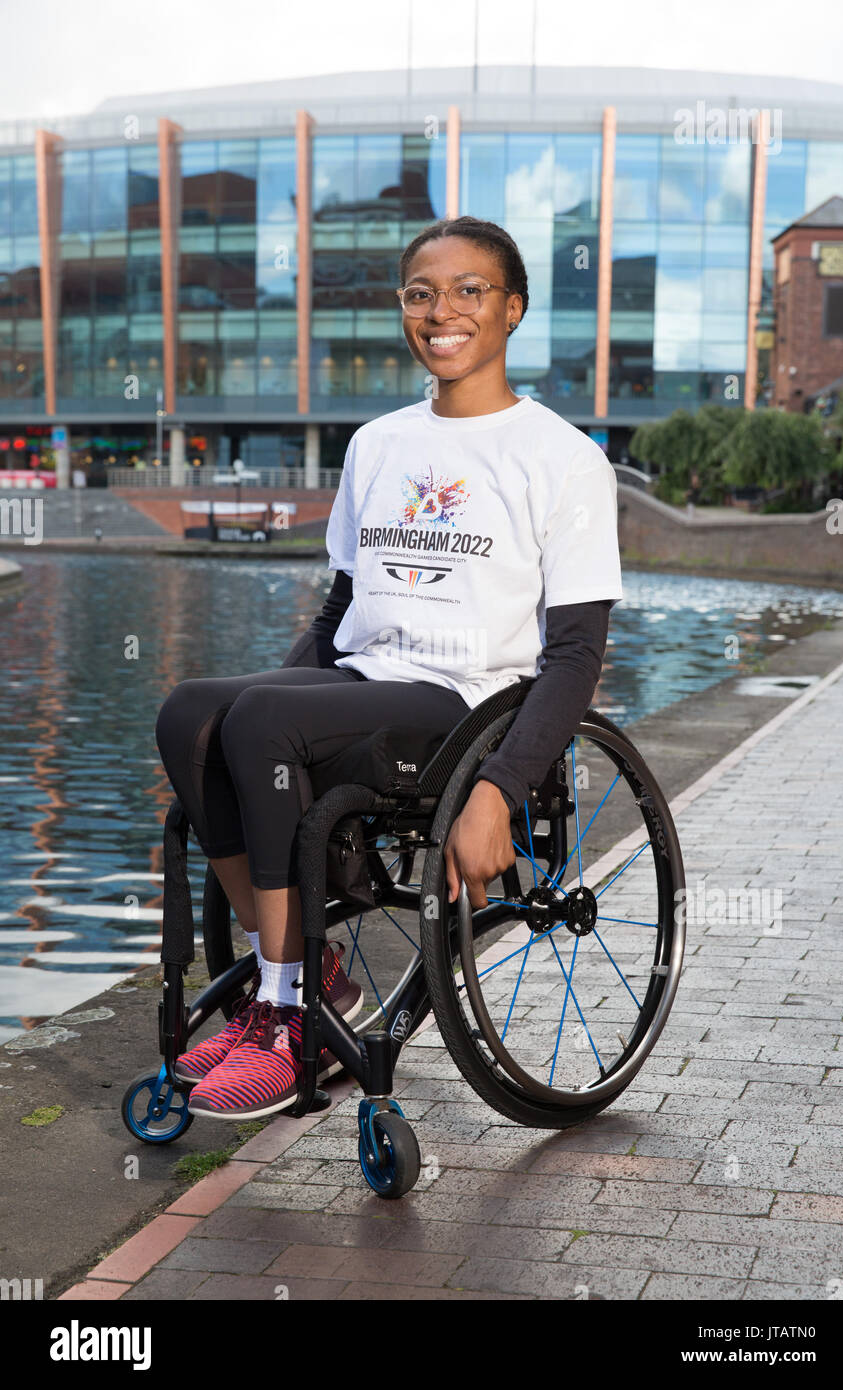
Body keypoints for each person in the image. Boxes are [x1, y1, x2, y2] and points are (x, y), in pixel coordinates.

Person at [154, 215, 622, 1121]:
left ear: (514, 308)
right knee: (193, 713)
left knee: (258, 722)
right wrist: (259, 708)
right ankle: (301, 971)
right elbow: (339, 612)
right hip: (367, 680)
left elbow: (575, 655)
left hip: (467, 704)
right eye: (420, 293)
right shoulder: (377, 443)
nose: (441, 310)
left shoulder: (562, 457)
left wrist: (496, 792)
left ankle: (290, 1012)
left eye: (468, 291)